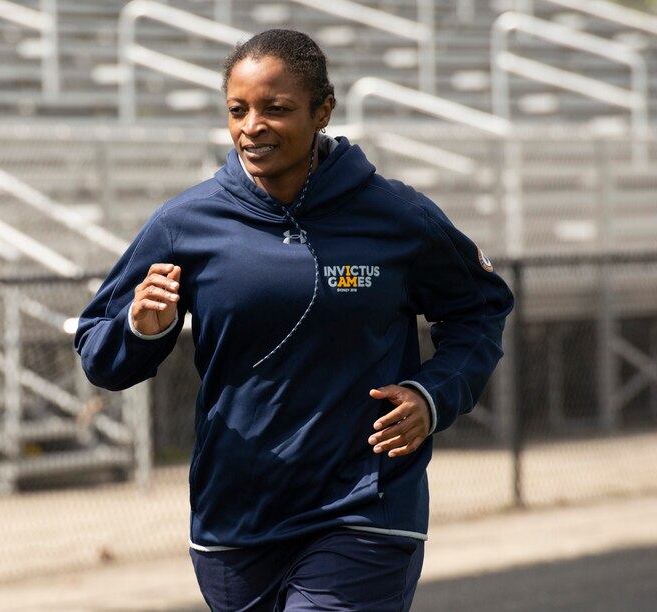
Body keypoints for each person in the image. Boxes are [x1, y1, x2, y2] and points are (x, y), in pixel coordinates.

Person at [74, 29, 513, 612]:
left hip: (363, 509)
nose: (252, 126)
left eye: (276, 109)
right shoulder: (184, 224)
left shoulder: (395, 215)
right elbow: (100, 357)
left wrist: (432, 397)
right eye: (238, 110)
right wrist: (142, 329)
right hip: (234, 518)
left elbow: (480, 309)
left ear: (323, 110)